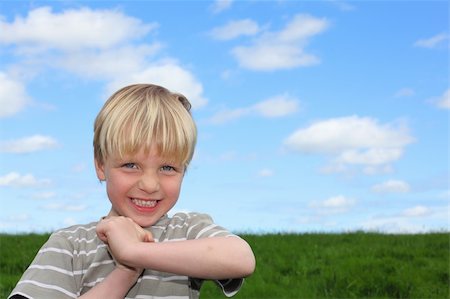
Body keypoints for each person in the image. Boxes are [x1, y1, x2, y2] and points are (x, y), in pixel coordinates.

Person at [9, 84, 256, 299]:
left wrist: (135, 252)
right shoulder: (70, 244)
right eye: (130, 165)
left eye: (168, 167)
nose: (150, 184)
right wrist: (127, 271)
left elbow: (241, 259)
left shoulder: (187, 230)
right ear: (100, 165)